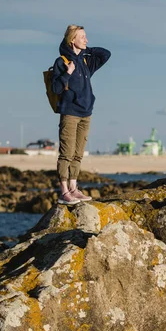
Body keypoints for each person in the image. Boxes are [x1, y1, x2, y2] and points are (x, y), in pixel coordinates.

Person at [52, 25, 111, 204]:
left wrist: (86, 51)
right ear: (72, 40)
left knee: (78, 154)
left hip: (86, 113)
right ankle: (64, 192)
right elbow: (56, 88)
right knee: (66, 154)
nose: (86, 40)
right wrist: (67, 74)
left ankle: (74, 188)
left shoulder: (85, 62)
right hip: (70, 113)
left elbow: (106, 54)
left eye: (86, 36)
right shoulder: (61, 62)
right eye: (82, 37)